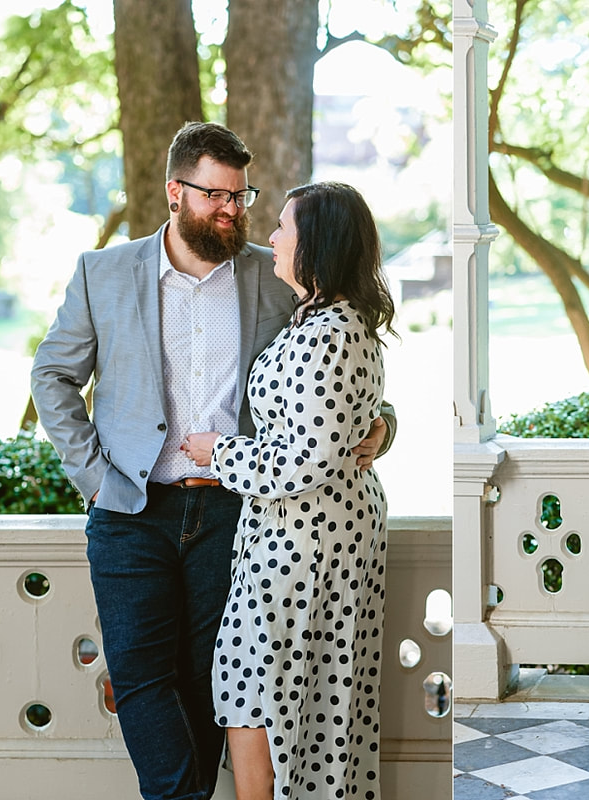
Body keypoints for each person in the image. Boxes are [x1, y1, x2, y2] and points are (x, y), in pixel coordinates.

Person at [31, 123, 392, 800]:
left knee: (208, 680)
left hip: (237, 513)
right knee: (138, 672)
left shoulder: (280, 274)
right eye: (215, 195)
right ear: (174, 192)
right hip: (131, 510)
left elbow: (346, 373)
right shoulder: (103, 273)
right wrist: (96, 477)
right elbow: (52, 377)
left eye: (242, 195)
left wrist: (384, 427)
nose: (232, 209)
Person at [181, 181, 394, 800]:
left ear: (317, 246)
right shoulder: (328, 321)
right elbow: (340, 426)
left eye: (283, 227)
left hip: (304, 540)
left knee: (255, 693)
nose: (271, 236)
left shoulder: (331, 332)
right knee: (313, 702)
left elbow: (302, 462)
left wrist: (216, 452)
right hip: (310, 534)